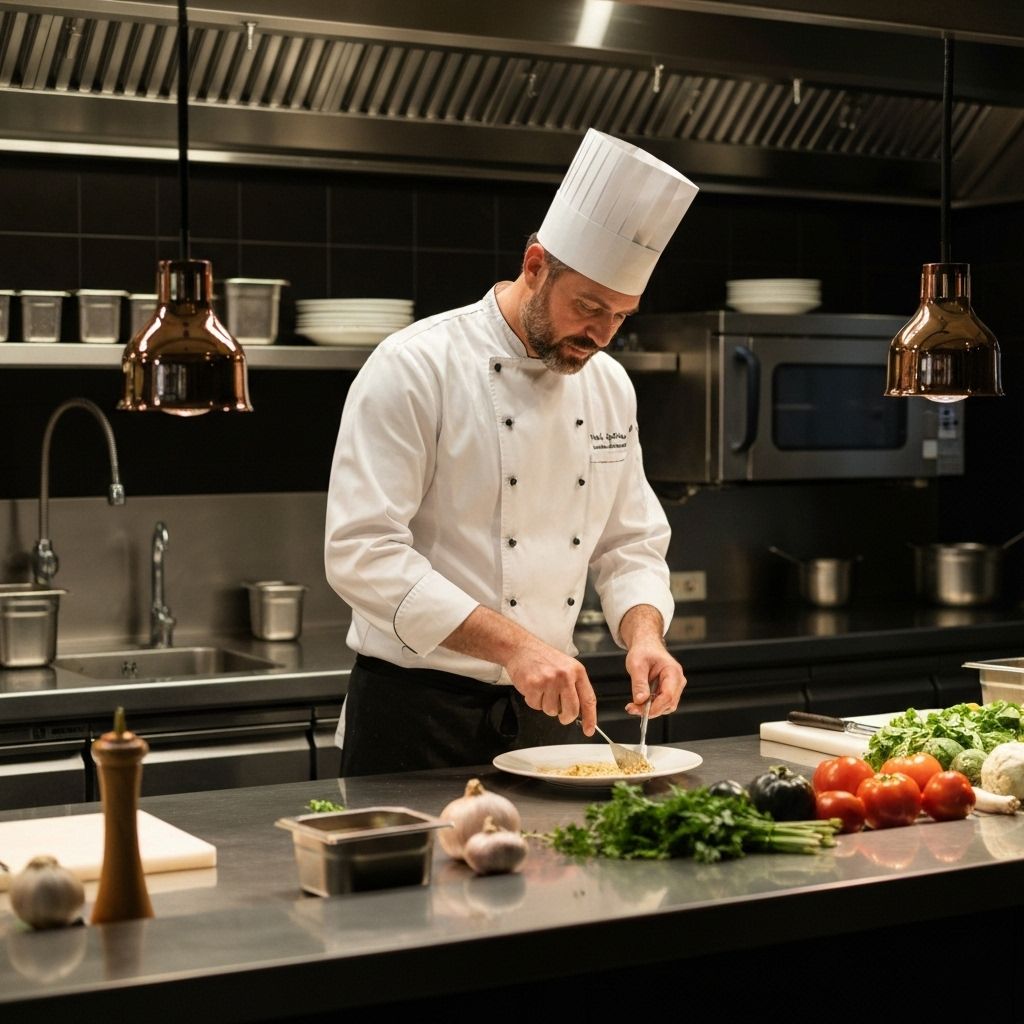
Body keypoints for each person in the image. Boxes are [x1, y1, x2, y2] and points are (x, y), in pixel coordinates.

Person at [324, 128, 699, 776]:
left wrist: (645, 636)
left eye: (622, 315)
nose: (602, 335)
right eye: (589, 307)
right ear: (534, 266)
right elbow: (362, 554)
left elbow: (628, 544)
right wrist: (515, 645)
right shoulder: (416, 367)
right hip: (416, 716)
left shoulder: (609, 385)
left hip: (543, 714)